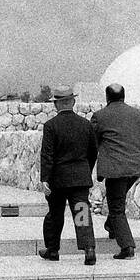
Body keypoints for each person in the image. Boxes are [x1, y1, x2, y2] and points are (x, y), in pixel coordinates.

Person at [90, 83, 140, 259]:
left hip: (114, 169)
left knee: (116, 208)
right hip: (135, 168)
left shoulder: (99, 116)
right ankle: (111, 226)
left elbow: (92, 146)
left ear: (107, 98)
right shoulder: (138, 114)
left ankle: (127, 246)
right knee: (117, 201)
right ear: (123, 96)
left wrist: (88, 170)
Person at [38, 85, 97, 265]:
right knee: (82, 212)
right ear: (73, 102)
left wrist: (45, 178)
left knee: (55, 215)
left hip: (58, 178)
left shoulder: (50, 126)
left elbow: (47, 154)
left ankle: (53, 249)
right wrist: (85, 169)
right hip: (80, 178)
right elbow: (93, 152)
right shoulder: (86, 124)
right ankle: (88, 248)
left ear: (56, 105)